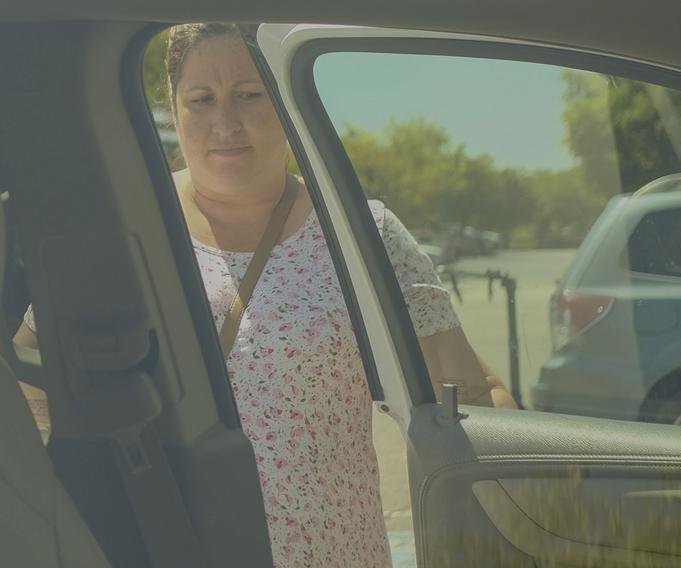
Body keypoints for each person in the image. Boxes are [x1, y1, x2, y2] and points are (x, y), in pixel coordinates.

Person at [16, 22, 515, 567]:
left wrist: (536, 508)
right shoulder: (124, 229)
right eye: (201, 99)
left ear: (284, 100)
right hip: (168, 549)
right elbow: (29, 380)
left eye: (249, 95)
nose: (224, 123)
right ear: (173, 111)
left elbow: (469, 392)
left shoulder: (361, 231)